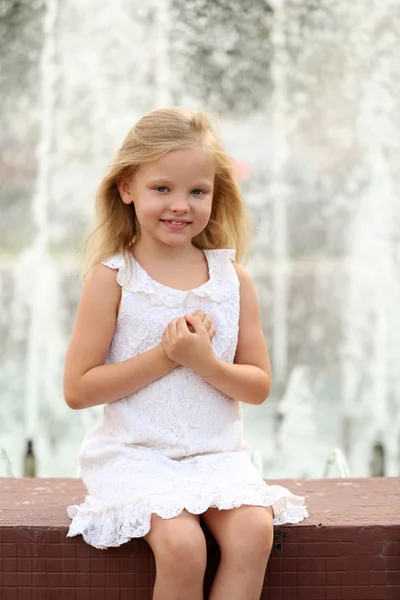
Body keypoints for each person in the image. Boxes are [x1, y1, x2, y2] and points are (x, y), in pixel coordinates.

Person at [64, 107, 308, 600]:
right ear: (126, 188)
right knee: (182, 546)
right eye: (162, 189)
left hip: (215, 455)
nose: (181, 205)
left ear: (216, 196)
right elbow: (78, 390)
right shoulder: (114, 279)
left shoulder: (231, 279)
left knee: (253, 533)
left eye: (197, 191)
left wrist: (205, 363)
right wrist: (167, 356)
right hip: (137, 455)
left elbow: (258, 385)